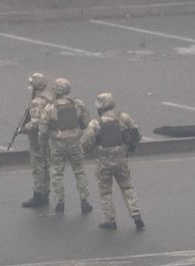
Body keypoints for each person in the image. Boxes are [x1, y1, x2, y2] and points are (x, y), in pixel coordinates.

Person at [88, 92, 144, 231]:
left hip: (104, 162)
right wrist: (130, 148)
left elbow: (86, 141)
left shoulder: (96, 122)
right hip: (121, 159)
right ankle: (136, 214)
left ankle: (110, 220)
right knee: (127, 187)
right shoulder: (123, 118)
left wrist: (92, 151)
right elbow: (137, 134)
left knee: (105, 191)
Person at [38, 78, 93, 214]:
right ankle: (84, 200)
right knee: (79, 171)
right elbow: (86, 122)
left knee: (57, 173)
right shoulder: (77, 105)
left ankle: (59, 202)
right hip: (75, 143)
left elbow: (43, 130)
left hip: (57, 145)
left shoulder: (50, 107)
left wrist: (43, 144)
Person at [20, 73, 53, 208]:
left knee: (38, 166)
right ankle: (45, 193)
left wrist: (23, 129)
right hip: (48, 136)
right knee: (45, 165)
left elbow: (35, 123)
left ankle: (38, 194)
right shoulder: (49, 97)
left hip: (38, 138)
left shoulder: (36, 102)